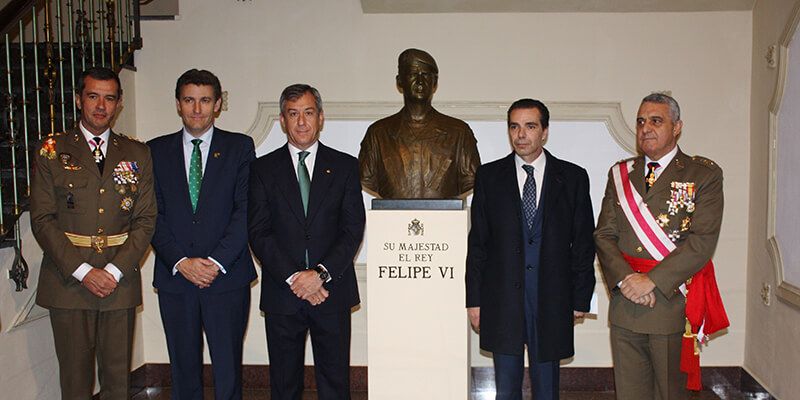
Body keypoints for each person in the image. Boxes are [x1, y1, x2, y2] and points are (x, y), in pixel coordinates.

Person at [30, 67, 156, 399]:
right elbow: (42, 219)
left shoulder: (137, 153)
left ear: (119, 104)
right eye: (93, 96)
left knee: (117, 381)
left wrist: (113, 271)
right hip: (68, 282)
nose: (101, 106)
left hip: (119, 281)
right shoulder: (51, 150)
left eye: (109, 98)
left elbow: (145, 220)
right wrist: (85, 272)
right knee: (74, 382)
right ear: (78, 100)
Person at [594, 93, 727, 399]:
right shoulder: (620, 173)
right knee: (630, 393)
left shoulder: (703, 174)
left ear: (677, 127)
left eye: (656, 120)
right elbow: (604, 234)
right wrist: (628, 280)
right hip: (627, 304)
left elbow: (702, 241)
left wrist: (650, 282)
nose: (646, 128)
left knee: (671, 393)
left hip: (670, 304)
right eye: (641, 121)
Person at [465, 99, 596, 400]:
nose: (521, 134)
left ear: (545, 132)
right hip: (502, 301)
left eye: (530, 126)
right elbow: (478, 244)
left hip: (553, 298)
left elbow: (583, 242)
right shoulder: (489, 177)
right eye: (514, 126)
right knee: (506, 390)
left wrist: (580, 296)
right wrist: (474, 300)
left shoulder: (573, 178)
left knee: (547, 389)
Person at [248, 84, 366, 399]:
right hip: (282, 294)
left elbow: (353, 228)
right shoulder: (262, 169)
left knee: (335, 384)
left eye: (308, 113)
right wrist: (295, 278)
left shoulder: (345, 166)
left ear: (321, 118)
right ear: (283, 121)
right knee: (284, 387)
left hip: (332, 292)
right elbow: (258, 231)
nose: (302, 122)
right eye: (293, 114)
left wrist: (319, 275)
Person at [149, 69, 256, 399]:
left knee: (227, 370)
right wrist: (181, 261)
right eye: (189, 100)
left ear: (218, 104)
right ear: (178, 104)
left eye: (205, 100)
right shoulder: (154, 150)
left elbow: (245, 211)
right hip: (176, 278)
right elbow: (151, 215)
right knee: (183, 370)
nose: (197, 109)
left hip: (226, 278)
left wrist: (214, 262)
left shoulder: (239, 147)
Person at [358, 48, 480, 199]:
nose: (420, 81)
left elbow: (471, 177)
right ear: (400, 81)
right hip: (392, 221)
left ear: (435, 83)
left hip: (444, 221)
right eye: (413, 74)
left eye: (426, 75)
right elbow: (367, 177)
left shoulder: (459, 133)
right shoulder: (378, 134)